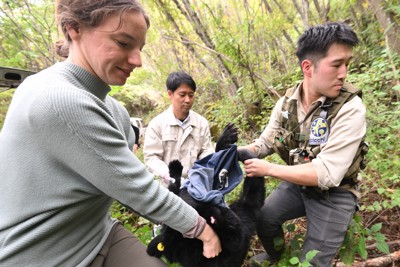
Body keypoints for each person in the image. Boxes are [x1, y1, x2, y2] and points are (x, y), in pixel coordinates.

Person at [0, 1, 221, 266]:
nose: (137, 60)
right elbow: (137, 188)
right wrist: (204, 232)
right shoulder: (57, 97)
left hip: (95, 232)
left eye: (140, 48)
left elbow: (123, 151)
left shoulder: (111, 106)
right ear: (74, 29)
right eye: (124, 43)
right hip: (43, 253)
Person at [240, 22, 367, 267]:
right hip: (299, 182)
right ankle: (275, 255)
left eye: (347, 64)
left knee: (312, 262)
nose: (344, 73)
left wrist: (267, 169)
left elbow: (327, 174)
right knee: (264, 218)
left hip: (336, 192)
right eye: (336, 65)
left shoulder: (350, 108)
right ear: (308, 67)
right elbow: (265, 142)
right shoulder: (287, 103)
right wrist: (230, 153)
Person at [143, 71, 214, 185]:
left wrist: (199, 174)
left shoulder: (201, 123)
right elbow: (152, 157)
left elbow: (207, 152)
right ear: (170, 94)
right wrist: (168, 175)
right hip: (166, 187)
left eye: (191, 95)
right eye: (182, 95)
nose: (187, 100)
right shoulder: (157, 124)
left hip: (195, 186)